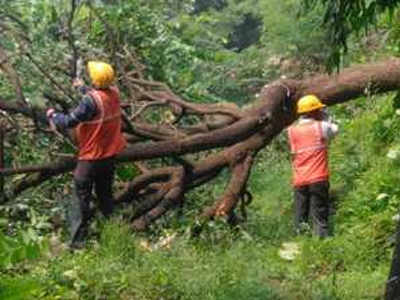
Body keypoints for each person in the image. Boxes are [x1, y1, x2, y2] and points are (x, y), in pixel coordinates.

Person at [46, 61, 126, 248]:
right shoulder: (114, 94)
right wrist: (82, 88)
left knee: (81, 199)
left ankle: (77, 245)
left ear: (95, 81)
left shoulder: (90, 102)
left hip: (91, 158)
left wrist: (52, 115)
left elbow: (70, 121)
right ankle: (114, 237)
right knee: (105, 196)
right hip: (109, 156)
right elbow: (97, 100)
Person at [287, 95, 338, 238]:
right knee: (319, 213)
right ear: (313, 112)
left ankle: (301, 241)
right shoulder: (321, 126)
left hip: (299, 180)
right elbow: (335, 130)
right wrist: (326, 118)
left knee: (300, 213)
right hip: (318, 177)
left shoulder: (292, 131)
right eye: (318, 109)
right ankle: (321, 241)